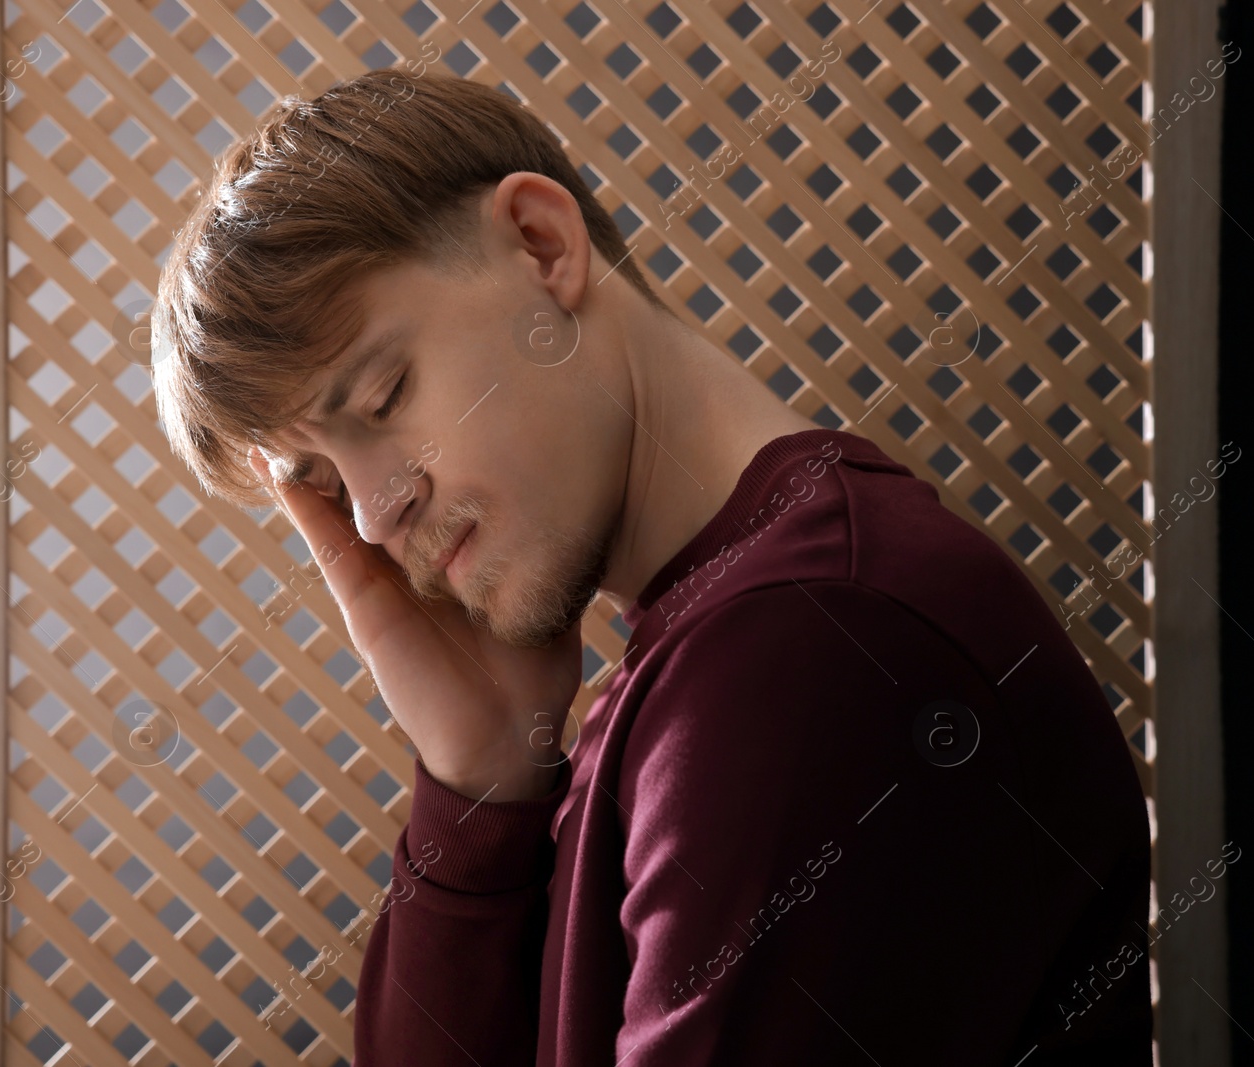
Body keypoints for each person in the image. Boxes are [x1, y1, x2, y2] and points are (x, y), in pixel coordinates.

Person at [150, 69, 1151, 1065]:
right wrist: (482, 785)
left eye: (382, 395)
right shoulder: (712, 644)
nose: (373, 514)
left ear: (543, 245)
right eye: (323, 476)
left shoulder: (809, 648)